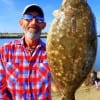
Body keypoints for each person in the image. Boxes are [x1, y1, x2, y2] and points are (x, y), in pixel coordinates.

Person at [0, 4, 51, 100]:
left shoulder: (52, 53)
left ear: (43, 25)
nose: (33, 22)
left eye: (39, 19)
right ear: (21, 23)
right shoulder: (5, 50)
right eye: (28, 17)